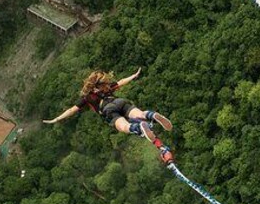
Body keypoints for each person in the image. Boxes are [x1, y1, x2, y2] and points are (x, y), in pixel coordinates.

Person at [43, 68, 174, 164]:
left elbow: (72, 110)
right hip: (120, 102)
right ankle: (151, 115)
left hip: (108, 110)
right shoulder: (107, 88)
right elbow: (122, 81)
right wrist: (134, 75)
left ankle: (139, 128)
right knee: (140, 114)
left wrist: (56, 119)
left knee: (124, 126)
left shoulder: (87, 97)